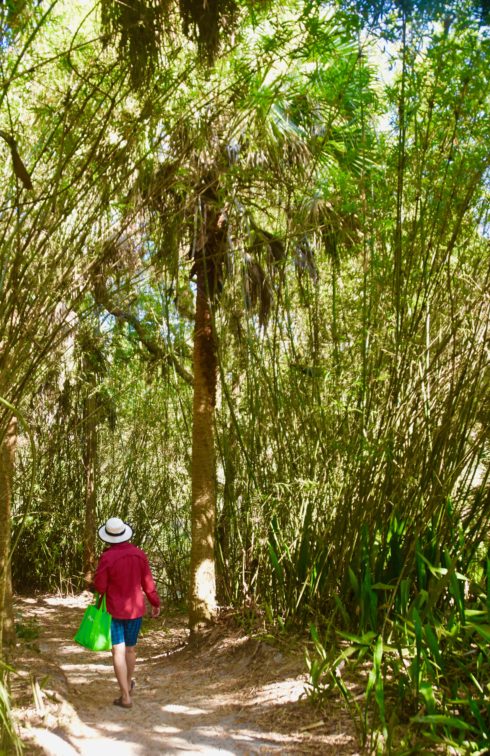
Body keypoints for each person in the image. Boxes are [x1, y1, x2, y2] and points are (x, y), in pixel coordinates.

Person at [93, 516, 161, 709]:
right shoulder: (139, 554)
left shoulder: (107, 557)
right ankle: (128, 684)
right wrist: (155, 602)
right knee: (130, 649)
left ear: (108, 537)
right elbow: (148, 584)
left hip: (114, 610)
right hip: (135, 610)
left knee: (118, 651)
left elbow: (100, 586)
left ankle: (125, 695)